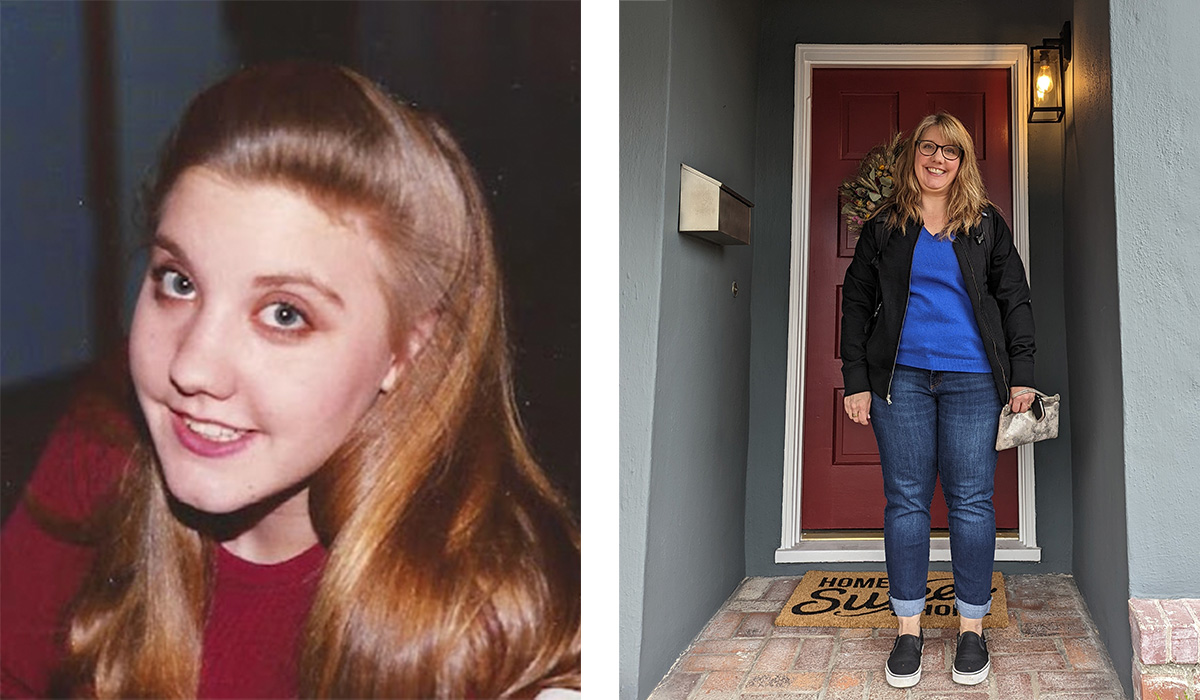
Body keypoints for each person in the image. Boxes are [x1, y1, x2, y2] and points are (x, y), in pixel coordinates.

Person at [0, 61, 580, 699]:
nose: (193, 366)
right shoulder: (99, 459)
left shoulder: (496, 629)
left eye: (284, 315)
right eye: (179, 281)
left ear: (406, 352)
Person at [840, 112, 1037, 689]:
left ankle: (971, 630)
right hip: (900, 383)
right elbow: (856, 302)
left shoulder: (984, 224)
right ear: (914, 156)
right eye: (928, 147)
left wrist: (1021, 373)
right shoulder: (886, 225)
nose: (937, 158)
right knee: (905, 501)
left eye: (950, 150)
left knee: (972, 503)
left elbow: (1014, 298)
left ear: (963, 161)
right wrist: (856, 378)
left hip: (973, 380)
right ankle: (908, 632)